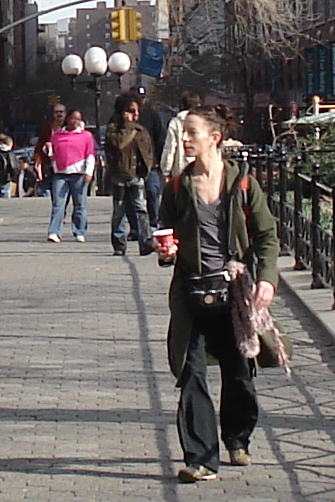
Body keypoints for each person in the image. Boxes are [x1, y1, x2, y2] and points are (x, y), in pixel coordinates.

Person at [154, 106, 277, 481]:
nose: (185, 139)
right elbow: (166, 228)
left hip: (234, 292)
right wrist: (166, 250)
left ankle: (237, 438)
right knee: (191, 372)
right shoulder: (177, 186)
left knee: (238, 372)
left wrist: (267, 279)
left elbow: (267, 236)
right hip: (192, 291)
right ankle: (200, 458)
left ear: (214, 138)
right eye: (183, 133)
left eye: (191, 132)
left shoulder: (242, 184)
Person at [104, 94, 156, 256]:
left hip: (136, 175)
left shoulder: (140, 130)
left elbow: (148, 151)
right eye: (131, 111)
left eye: (137, 111)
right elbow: (118, 144)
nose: (136, 115)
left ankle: (145, 241)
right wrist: (127, 126)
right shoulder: (114, 129)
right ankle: (119, 244)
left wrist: (146, 169)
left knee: (141, 208)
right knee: (119, 210)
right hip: (120, 175)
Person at [46, 107, 97, 243]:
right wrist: (49, 150)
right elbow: (53, 155)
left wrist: (88, 172)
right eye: (73, 118)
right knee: (58, 204)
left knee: (80, 204)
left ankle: (79, 231)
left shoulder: (86, 136)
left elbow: (90, 155)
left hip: (78, 174)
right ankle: (54, 231)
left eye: (78, 119)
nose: (75, 122)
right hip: (60, 174)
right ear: (68, 119)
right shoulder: (57, 135)